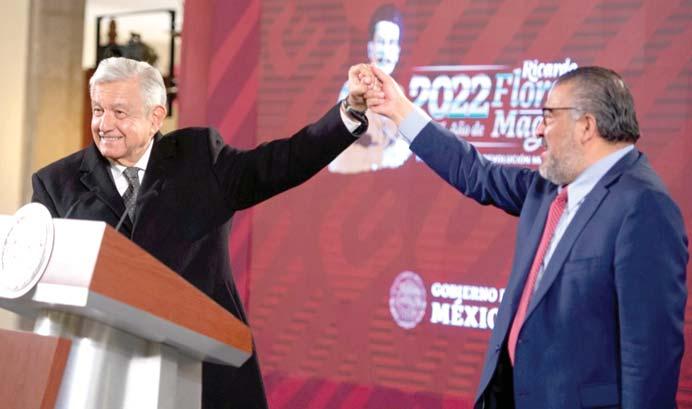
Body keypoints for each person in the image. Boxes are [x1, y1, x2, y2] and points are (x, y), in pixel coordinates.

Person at [31, 57, 373, 409]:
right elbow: (37, 278)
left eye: (119, 113)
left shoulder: (199, 158)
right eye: (98, 110)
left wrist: (348, 112)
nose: (104, 124)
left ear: (155, 117)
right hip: (99, 378)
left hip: (202, 369)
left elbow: (283, 161)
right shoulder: (55, 183)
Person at [362, 64, 688, 408]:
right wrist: (400, 109)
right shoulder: (548, 189)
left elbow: (650, 358)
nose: (538, 129)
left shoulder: (644, 206)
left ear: (586, 126)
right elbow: (474, 171)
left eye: (548, 117)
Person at [328, 4, 412, 174]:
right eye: (381, 42)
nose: (385, 51)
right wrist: (382, 158)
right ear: (370, 47)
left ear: (398, 51)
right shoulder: (353, 91)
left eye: (391, 43)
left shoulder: (400, 93)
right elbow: (334, 161)